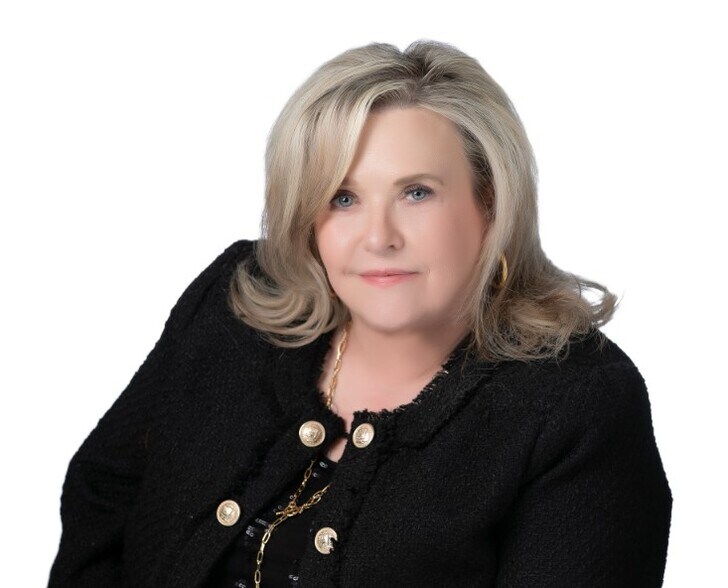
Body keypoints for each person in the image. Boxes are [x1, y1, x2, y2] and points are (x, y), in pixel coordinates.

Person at [48, 40, 672, 588]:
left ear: (490, 202)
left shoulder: (579, 405)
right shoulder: (235, 303)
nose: (378, 237)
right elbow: (103, 493)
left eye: (416, 193)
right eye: (343, 198)